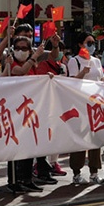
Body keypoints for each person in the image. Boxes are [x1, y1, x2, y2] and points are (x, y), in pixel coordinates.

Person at [66, 32, 104, 184]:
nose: (91, 45)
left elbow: (100, 80)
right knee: (80, 139)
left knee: (96, 138)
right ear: (80, 44)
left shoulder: (96, 61)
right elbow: (70, 83)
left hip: (96, 104)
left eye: (92, 42)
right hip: (80, 104)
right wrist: (82, 73)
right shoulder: (74, 61)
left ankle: (94, 172)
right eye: (88, 42)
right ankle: (76, 172)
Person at [7, 35, 45, 193]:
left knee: (30, 145)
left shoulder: (34, 64)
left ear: (29, 50)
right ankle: (15, 180)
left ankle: (27, 178)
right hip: (14, 110)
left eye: (24, 48)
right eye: (18, 48)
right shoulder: (11, 63)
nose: (20, 51)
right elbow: (21, 72)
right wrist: (34, 56)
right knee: (15, 146)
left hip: (30, 110)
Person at [33, 35, 67, 180]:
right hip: (42, 104)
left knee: (55, 134)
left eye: (60, 50)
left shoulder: (61, 65)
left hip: (56, 104)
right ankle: (40, 166)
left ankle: (52, 163)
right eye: (56, 49)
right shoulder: (42, 62)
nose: (59, 53)